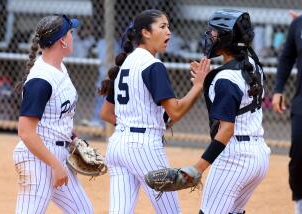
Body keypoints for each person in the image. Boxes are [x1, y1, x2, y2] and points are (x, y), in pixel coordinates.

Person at [147, 9, 270, 213]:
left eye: (214, 32)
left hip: (234, 157)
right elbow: (236, 97)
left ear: (226, 38)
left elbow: (227, 129)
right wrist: (205, 82)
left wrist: (198, 168)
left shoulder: (225, 79)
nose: (210, 36)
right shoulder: (253, 65)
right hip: (258, 157)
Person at [99, 9, 210, 213]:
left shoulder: (126, 64)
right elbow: (175, 112)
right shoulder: (153, 65)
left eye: (168, 26)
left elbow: (106, 113)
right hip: (144, 147)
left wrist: (135, 125)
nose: (168, 32)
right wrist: (198, 86)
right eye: (162, 26)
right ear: (145, 33)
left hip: (117, 145)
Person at [12, 14, 94, 214]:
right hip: (38, 157)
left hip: (56, 153)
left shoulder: (59, 68)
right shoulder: (41, 80)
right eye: (70, 33)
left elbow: (56, 115)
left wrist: (72, 138)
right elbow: (26, 132)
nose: (73, 37)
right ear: (62, 41)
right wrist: (55, 165)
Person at [272, 12, 302, 214]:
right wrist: (278, 89)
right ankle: (300, 203)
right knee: (299, 155)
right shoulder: (298, 25)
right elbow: (286, 57)